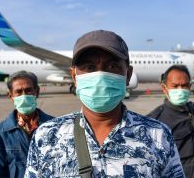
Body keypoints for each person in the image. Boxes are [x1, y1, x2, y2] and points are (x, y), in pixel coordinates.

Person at [24, 30, 185, 177]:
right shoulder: (45, 137)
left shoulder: (158, 135)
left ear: (128, 74)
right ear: (74, 76)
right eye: (89, 67)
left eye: (112, 66)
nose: (100, 75)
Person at [0, 71, 54, 178]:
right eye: (19, 92)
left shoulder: (54, 126)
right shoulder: (3, 131)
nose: (24, 96)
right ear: (10, 96)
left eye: (28, 90)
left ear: (37, 92)